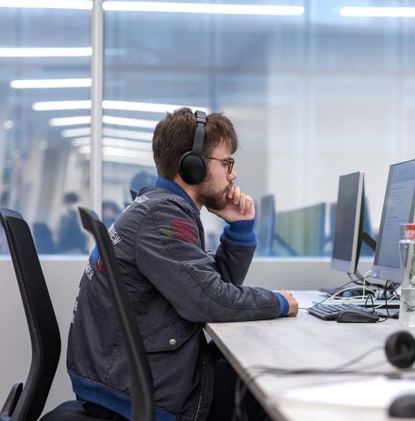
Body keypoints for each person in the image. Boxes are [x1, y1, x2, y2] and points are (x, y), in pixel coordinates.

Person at [67, 108, 299, 421]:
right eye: (227, 162)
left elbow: (210, 288)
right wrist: (281, 302)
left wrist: (240, 229)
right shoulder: (162, 217)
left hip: (125, 375)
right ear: (192, 166)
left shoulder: (158, 208)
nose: (233, 174)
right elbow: (213, 301)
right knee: (274, 384)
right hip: (138, 390)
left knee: (259, 368)